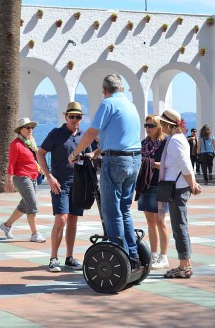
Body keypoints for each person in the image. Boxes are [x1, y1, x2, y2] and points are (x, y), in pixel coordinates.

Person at [68, 74, 143, 271]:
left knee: (111, 212)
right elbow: (122, 136)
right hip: (135, 159)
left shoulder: (108, 104)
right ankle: (133, 254)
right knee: (124, 209)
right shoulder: (130, 105)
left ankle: (120, 256)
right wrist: (97, 152)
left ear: (104, 91)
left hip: (116, 161)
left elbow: (92, 132)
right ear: (123, 89)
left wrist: (75, 153)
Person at [37, 102, 90, 272]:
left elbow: (91, 155)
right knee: (61, 218)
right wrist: (49, 176)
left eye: (78, 117)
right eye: (72, 116)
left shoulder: (84, 136)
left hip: (79, 182)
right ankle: (53, 258)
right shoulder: (56, 134)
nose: (75, 120)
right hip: (60, 183)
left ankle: (69, 257)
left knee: (73, 219)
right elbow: (40, 153)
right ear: (65, 116)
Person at [158, 109, 202, 278]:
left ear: (167, 125)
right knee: (180, 225)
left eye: (162, 123)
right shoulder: (176, 139)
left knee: (179, 227)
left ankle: (184, 266)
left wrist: (192, 185)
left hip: (177, 189)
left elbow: (185, 165)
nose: (160, 126)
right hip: (177, 187)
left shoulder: (175, 141)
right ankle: (186, 264)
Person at [0, 117, 46, 243]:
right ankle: (34, 234)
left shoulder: (31, 142)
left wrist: (40, 169)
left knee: (25, 205)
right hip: (22, 177)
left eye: (31, 127)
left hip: (33, 176)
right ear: (20, 130)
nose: (30, 129)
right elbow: (11, 163)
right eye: (27, 127)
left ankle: (6, 225)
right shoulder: (15, 145)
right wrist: (9, 180)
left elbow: (34, 159)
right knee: (32, 204)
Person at [136, 114, 170, 270]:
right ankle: (154, 254)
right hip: (146, 184)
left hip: (161, 184)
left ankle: (164, 256)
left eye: (151, 126)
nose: (148, 129)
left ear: (159, 127)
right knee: (150, 220)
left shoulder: (165, 143)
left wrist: (149, 163)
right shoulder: (143, 143)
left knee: (160, 221)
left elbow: (167, 164)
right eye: (146, 126)